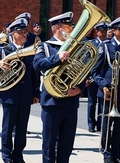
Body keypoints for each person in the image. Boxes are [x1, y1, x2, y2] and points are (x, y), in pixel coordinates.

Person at [33, 12, 84, 163]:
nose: (71, 30)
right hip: (51, 102)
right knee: (49, 143)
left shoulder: (76, 47)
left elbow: (83, 70)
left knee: (67, 144)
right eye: (68, 27)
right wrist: (57, 57)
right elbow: (37, 64)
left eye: (71, 27)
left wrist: (79, 88)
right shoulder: (45, 46)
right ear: (57, 28)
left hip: (70, 101)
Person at [0, 18, 40, 163]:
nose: (24, 35)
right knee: (8, 128)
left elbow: (34, 74)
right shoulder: (5, 50)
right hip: (9, 95)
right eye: (21, 32)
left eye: (25, 32)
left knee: (22, 129)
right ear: (13, 34)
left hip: (26, 95)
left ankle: (18, 155)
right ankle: (6, 155)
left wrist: (36, 93)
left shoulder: (30, 51)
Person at [91, 15, 120, 163]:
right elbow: (95, 71)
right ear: (114, 31)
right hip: (108, 93)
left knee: (119, 127)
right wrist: (103, 86)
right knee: (106, 126)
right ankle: (107, 154)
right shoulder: (105, 46)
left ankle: (116, 154)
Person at [87, 21, 109, 132]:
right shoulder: (91, 44)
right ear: (96, 32)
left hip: (103, 78)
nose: (104, 33)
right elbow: (86, 62)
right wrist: (86, 78)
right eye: (101, 31)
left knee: (102, 103)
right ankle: (91, 124)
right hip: (92, 78)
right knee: (91, 102)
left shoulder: (109, 44)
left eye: (105, 31)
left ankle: (101, 124)